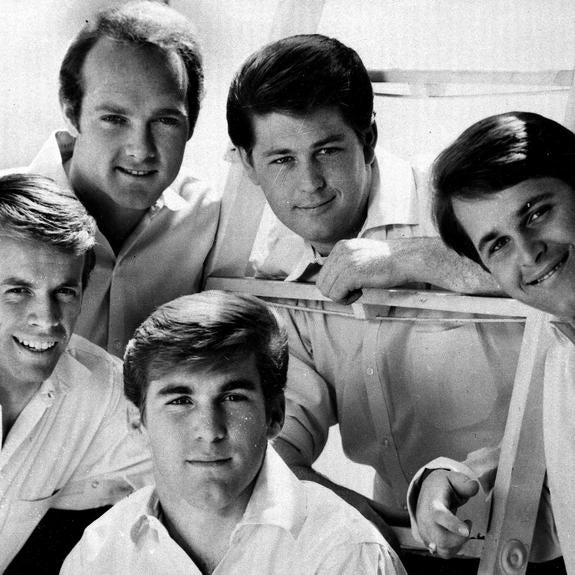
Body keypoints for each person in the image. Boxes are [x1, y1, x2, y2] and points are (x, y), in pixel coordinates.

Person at [225, 33, 525, 572]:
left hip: (548, 530)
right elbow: (277, 444)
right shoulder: (276, 272)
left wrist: (414, 259)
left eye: (327, 150)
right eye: (282, 159)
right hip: (412, 546)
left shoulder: (456, 198)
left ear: (368, 138)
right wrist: (355, 521)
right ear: (249, 164)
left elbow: (551, 270)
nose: (310, 183)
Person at [61, 291, 407, 574]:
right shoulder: (98, 555)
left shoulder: (344, 554)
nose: (210, 430)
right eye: (180, 400)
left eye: (232, 397)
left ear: (275, 415)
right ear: (137, 422)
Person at [410, 111, 575, 573]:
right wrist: (458, 476)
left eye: (537, 212)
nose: (528, 252)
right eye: (498, 245)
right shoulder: (562, 350)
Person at [6, 1, 220, 357]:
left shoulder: (209, 218)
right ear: (71, 112)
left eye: (165, 121)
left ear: (191, 125)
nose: (141, 150)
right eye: (114, 119)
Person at [0, 173, 151, 572]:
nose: (48, 319)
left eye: (64, 292)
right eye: (18, 291)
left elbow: (192, 459)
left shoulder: (99, 386)